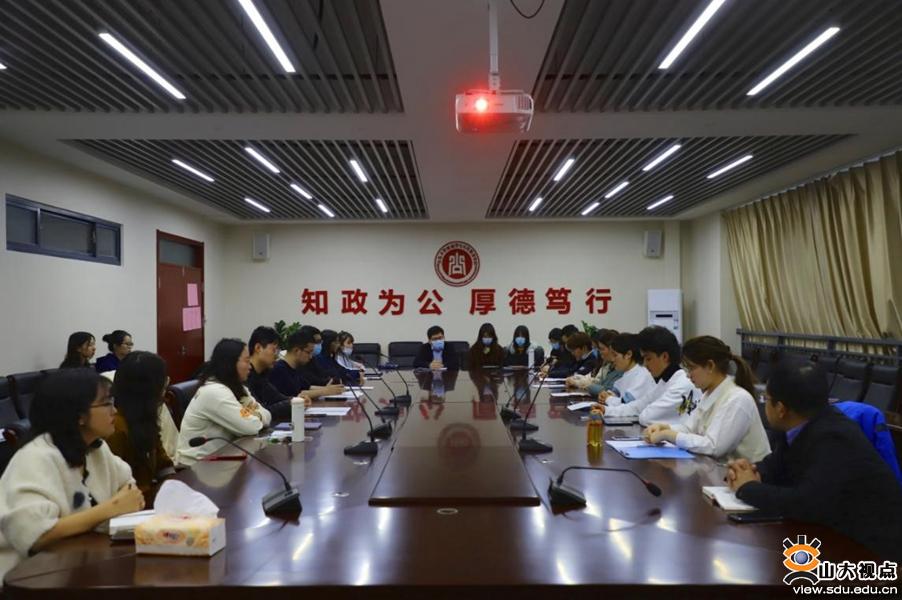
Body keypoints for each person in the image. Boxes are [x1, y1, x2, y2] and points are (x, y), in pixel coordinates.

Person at [727, 362, 902, 561]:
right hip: (836, 536)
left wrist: (748, 488)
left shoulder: (834, 438)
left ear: (781, 409)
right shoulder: (799, 426)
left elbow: (806, 503)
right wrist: (749, 470)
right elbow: (775, 465)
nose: (764, 404)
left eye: (765, 399)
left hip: (874, 552)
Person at [0, 370, 143, 581]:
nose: (114, 411)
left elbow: (130, 490)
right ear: (79, 416)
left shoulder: (95, 448)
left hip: (79, 566)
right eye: (106, 403)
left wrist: (122, 502)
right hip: (25, 578)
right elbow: (36, 534)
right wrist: (111, 508)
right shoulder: (36, 458)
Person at [644, 336, 770, 462]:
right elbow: (689, 429)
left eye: (691, 368)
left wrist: (669, 435)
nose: (688, 375)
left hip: (748, 472)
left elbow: (714, 447)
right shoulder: (708, 394)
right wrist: (665, 428)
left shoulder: (738, 399)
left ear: (710, 366)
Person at [175, 339, 271, 466]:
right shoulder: (215, 392)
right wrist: (255, 415)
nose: (250, 366)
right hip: (195, 467)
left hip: (221, 459)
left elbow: (267, 415)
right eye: (247, 361)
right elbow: (252, 426)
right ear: (230, 363)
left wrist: (255, 415)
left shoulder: (238, 388)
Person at [106, 352, 175, 504]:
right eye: (163, 379)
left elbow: (163, 465)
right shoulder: (115, 429)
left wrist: (172, 486)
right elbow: (115, 491)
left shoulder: (144, 417)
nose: (167, 382)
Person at [597, 326, 694, 426]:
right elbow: (638, 406)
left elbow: (647, 417)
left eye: (648, 359)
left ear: (664, 356)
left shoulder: (681, 385)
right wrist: (607, 410)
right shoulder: (665, 382)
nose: (644, 364)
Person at [245, 326, 311, 422]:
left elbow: (276, 397)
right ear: (258, 348)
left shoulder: (262, 374)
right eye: (274, 350)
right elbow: (259, 412)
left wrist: (297, 400)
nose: (277, 355)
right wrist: (290, 404)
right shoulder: (245, 375)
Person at [269, 330, 345, 400]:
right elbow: (296, 395)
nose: (310, 357)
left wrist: (330, 389)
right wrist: (324, 391)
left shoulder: (295, 368)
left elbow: (307, 387)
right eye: (308, 352)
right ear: (297, 351)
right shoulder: (278, 370)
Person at [595, 333, 656, 407]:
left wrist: (608, 398)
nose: (612, 359)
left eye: (615, 355)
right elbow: (615, 393)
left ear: (628, 354)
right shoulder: (626, 373)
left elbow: (626, 403)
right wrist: (605, 395)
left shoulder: (642, 375)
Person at [566, 329, 621, 395]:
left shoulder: (620, 368)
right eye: (597, 349)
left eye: (602, 349)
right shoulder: (608, 365)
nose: (599, 352)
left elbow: (606, 390)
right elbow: (597, 381)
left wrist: (585, 385)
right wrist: (578, 379)